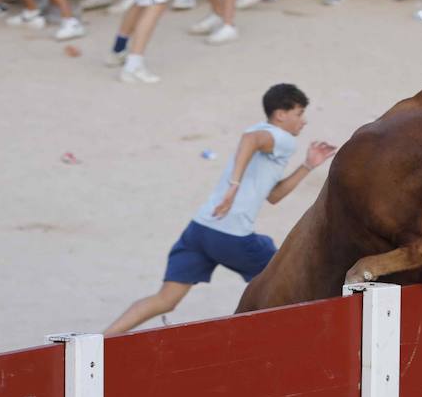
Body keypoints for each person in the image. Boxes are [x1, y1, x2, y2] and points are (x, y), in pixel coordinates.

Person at [104, 83, 337, 335]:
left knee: (165, 300)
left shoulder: (265, 134)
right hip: (231, 236)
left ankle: (100, 341)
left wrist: (308, 166)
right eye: (299, 113)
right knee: (285, 277)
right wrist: (233, 186)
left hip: (200, 230)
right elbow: (251, 140)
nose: (303, 121)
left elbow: (273, 195)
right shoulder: (280, 138)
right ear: (281, 114)